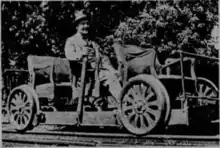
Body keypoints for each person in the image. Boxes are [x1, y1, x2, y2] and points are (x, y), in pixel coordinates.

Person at [64, 11, 122, 103]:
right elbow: (69, 55)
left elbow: (103, 59)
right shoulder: (71, 41)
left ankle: (124, 103)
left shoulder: (92, 43)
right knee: (109, 77)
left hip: (96, 72)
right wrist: (81, 55)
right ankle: (124, 104)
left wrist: (112, 70)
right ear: (76, 27)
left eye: (87, 24)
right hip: (82, 74)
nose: (86, 26)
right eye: (83, 24)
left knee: (116, 76)